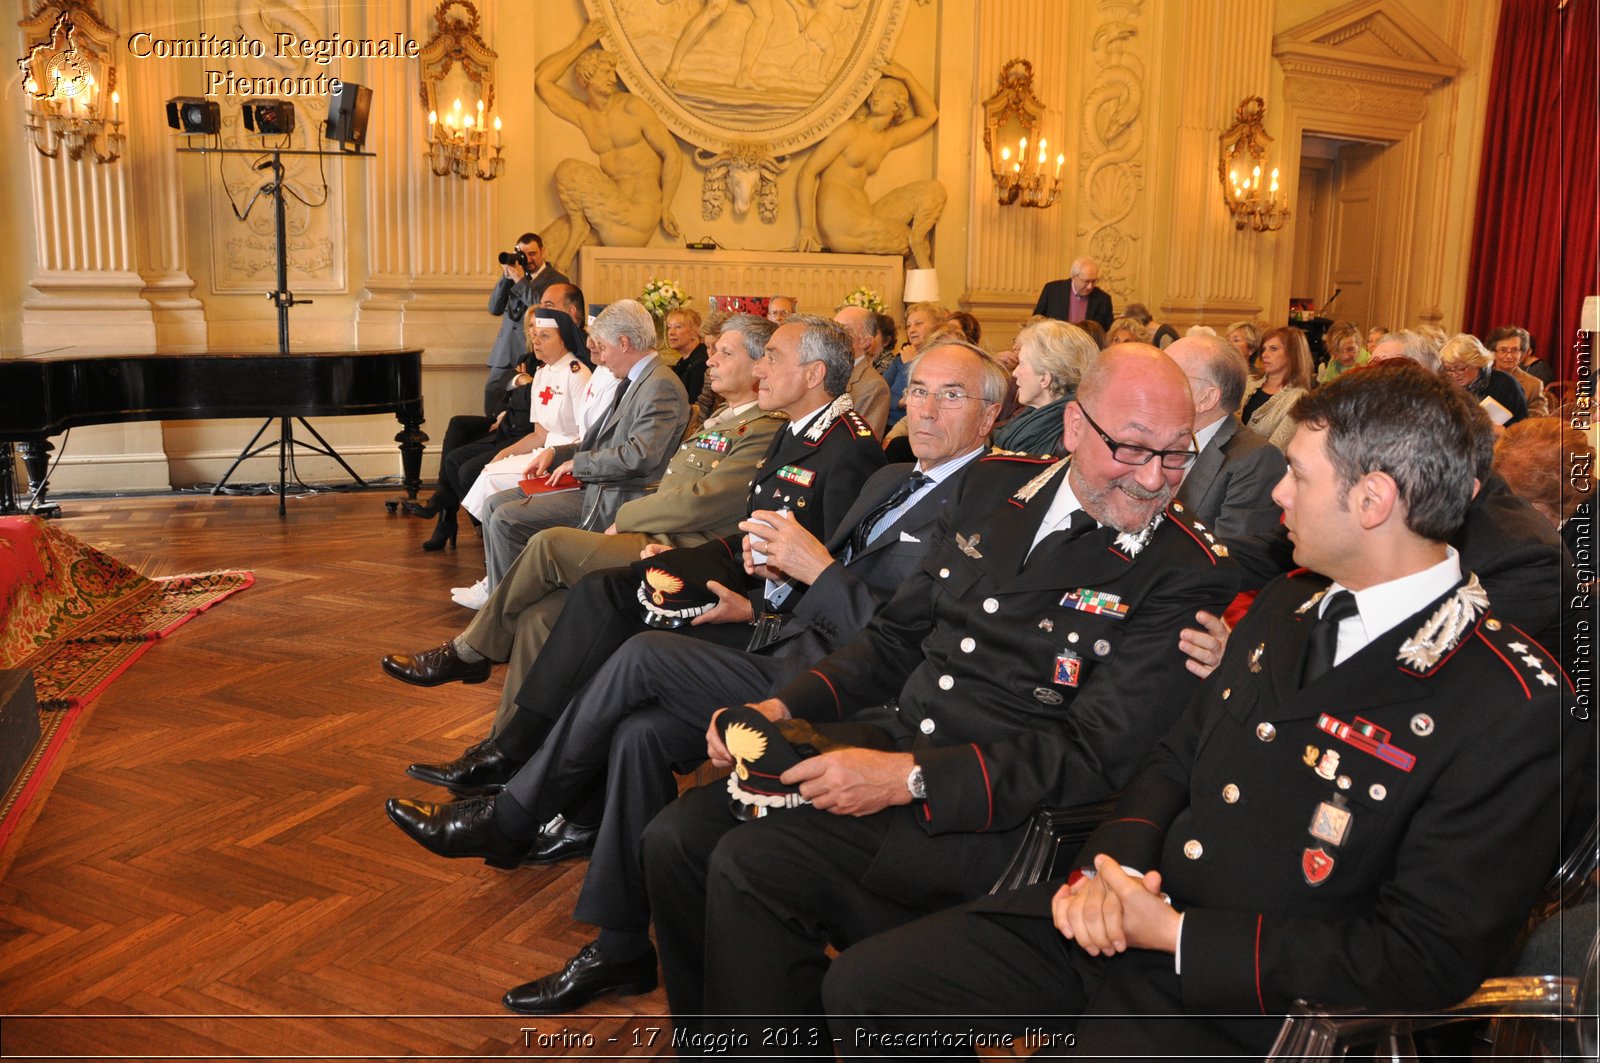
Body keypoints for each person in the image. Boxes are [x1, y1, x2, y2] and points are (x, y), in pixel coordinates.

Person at [825, 361, 1577, 1060]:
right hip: (1138, 917)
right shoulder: (1290, 604)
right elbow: (1173, 762)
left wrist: (1182, 937)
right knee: (869, 990)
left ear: (1372, 500)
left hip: (1263, 1003)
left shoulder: (1508, 699)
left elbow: (1422, 957)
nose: (1279, 495)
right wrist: (1105, 873)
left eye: (1300, 477)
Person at [640, 344, 1239, 1046]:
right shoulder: (993, 485)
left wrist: (907, 778)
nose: (1155, 478)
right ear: (1074, 426)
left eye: (1176, 454)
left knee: (752, 866)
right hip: (897, 739)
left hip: (994, 813)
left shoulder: (1185, 570)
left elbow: (1090, 755)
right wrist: (783, 708)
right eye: (1133, 449)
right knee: (674, 838)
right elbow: (895, 640)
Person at [385, 341, 1006, 1015]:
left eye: (952, 395)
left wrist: (817, 572)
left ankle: (512, 814)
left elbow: (911, 649)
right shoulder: (891, 480)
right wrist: (760, 599)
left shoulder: (990, 512)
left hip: (847, 690)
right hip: (784, 640)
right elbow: (806, 585)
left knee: (646, 652)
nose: (924, 408)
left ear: (990, 415)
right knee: (638, 730)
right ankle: (621, 947)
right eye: (918, 391)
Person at [381, 315, 882, 731]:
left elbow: (823, 557)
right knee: (537, 617)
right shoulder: (786, 428)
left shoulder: (820, 439)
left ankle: (472, 653)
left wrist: (633, 523)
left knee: (550, 543)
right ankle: (510, 746)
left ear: (813, 374)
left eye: (765, 356)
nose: (717, 361)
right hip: (683, 546)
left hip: (697, 558)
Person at [476, 300, 688, 593]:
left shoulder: (659, 385)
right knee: (493, 504)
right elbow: (598, 441)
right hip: (602, 486)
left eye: (603, 346)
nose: (599, 356)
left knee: (506, 518)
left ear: (624, 343)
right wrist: (557, 454)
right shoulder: (638, 380)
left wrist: (579, 464)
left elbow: (640, 457)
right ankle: (502, 606)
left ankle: (507, 613)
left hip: (619, 497)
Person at [534, 20, 682, 272]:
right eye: (605, 73)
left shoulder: (631, 108)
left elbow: (673, 153)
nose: (613, 79)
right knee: (545, 243)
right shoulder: (585, 115)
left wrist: (666, 207)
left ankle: (577, 234)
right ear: (587, 77)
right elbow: (542, 81)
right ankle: (569, 247)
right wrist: (581, 43)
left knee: (569, 170)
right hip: (614, 217)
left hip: (640, 215)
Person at [794, 63, 946, 269]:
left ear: (897, 105)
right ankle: (917, 287)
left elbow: (929, 116)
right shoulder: (851, 131)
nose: (876, 97)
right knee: (916, 246)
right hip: (839, 221)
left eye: (884, 93)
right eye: (876, 92)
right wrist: (806, 227)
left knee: (933, 190)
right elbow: (808, 171)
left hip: (865, 214)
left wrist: (907, 76)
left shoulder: (886, 140)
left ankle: (916, 247)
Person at [1166, 335, 1287, 540]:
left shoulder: (1256, 460)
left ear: (1207, 398)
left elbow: (1231, 559)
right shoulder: (1153, 441)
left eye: (1168, 375)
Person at [484, 233, 570, 417]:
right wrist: (506, 276)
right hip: (504, 352)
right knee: (492, 397)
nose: (527, 259)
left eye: (532, 254)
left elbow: (543, 309)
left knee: (523, 405)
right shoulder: (513, 276)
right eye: (522, 254)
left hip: (531, 350)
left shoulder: (557, 280)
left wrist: (520, 281)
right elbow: (494, 308)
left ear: (543, 252)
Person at [992, 319, 1095, 456]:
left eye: (1022, 364)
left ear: (1045, 379)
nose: (1015, 373)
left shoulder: (1070, 435)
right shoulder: (1030, 416)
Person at [1240, 325, 1313, 450]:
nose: (1264, 355)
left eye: (1273, 349)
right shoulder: (1249, 382)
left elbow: (1275, 449)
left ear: (1292, 354)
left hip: (1263, 465)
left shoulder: (1299, 398)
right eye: (1264, 349)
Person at [1440, 332, 1528, 428]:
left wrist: (1502, 431)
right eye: (1448, 369)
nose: (1454, 374)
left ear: (1477, 362)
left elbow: (1522, 428)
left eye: (1460, 368)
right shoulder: (1445, 385)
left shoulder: (1506, 385)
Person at [833, 305, 891, 435]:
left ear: (865, 341)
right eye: (833, 329)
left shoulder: (874, 386)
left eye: (844, 331)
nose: (834, 336)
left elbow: (863, 445)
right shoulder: (822, 372)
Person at [1033, 256, 1113, 331]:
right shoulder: (1052, 291)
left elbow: (1108, 331)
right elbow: (1036, 321)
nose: (1090, 286)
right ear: (1074, 277)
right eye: (1086, 281)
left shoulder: (1103, 300)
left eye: (1094, 281)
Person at [1486, 325, 1551, 418]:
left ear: (1522, 353)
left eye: (1514, 350)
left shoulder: (1534, 385)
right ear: (1493, 352)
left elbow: (1540, 418)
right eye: (1503, 350)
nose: (1509, 356)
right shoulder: (1482, 377)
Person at [664, 308, 709, 403]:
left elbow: (695, 405)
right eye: (669, 327)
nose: (671, 333)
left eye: (678, 327)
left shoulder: (701, 363)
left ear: (694, 332)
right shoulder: (684, 361)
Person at [1315, 320, 1369, 386]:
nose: (1345, 356)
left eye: (1350, 349)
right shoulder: (1333, 363)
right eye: (1338, 351)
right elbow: (1325, 387)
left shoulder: (1369, 364)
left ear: (1359, 345)